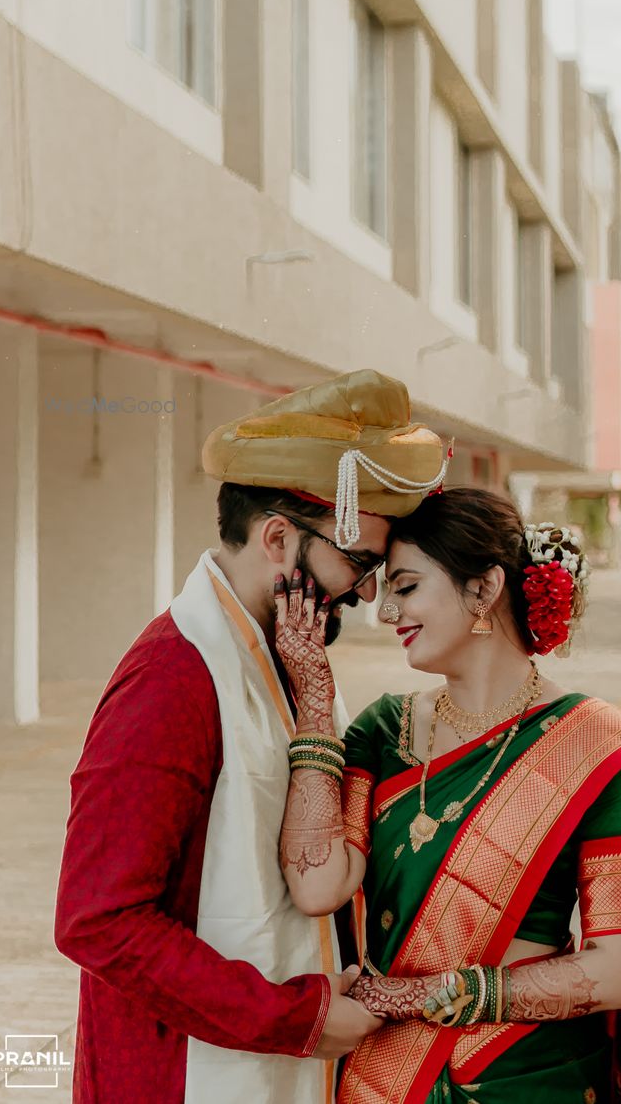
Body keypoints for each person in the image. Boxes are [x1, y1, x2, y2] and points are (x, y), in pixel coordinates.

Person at [54, 369, 449, 1104]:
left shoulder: (271, 655)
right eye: (357, 563)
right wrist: (295, 1016)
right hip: (172, 1075)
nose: (366, 593)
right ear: (278, 538)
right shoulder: (174, 675)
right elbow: (99, 920)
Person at [272, 487, 621, 1104]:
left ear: (483, 589)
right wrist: (314, 699)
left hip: (527, 1077)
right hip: (389, 1077)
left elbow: (619, 972)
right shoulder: (383, 731)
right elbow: (317, 884)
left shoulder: (597, 749)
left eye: (406, 588)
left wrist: (423, 996)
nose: (386, 613)